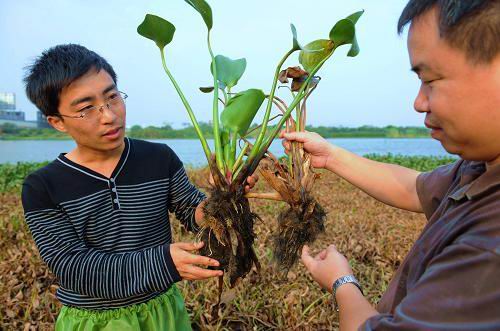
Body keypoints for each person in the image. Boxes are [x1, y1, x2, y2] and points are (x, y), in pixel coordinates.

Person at [282, 0, 500, 330]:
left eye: (431, 80)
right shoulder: (479, 169)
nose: (417, 102)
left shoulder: (487, 249)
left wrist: (343, 283)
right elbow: (416, 187)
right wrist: (330, 155)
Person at [21, 44, 256, 330]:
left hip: (163, 310)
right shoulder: (42, 186)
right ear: (57, 122)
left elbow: (190, 212)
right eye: (86, 109)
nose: (109, 115)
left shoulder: (159, 158)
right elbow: (73, 268)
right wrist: (164, 263)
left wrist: (224, 199)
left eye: (112, 97)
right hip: (95, 320)